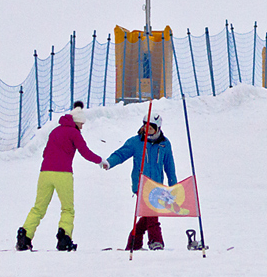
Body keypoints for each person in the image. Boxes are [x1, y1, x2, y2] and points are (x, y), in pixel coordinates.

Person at [16, 101, 103, 252]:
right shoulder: (74, 133)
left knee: (38, 207)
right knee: (68, 209)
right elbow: (85, 152)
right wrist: (100, 160)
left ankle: (25, 235)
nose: (82, 126)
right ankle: (64, 238)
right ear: (77, 121)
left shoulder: (55, 131)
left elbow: (45, 152)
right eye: (82, 123)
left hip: (45, 173)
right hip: (63, 174)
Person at [103, 114, 177, 251]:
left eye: (151, 127)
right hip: (141, 185)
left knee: (148, 215)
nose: (147, 129)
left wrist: (174, 184)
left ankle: (134, 242)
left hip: (157, 186)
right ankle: (156, 241)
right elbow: (121, 154)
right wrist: (109, 162)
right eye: (145, 125)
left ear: (158, 128)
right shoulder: (136, 142)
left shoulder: (164, 144)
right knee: (151, 214)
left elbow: (169, 165)